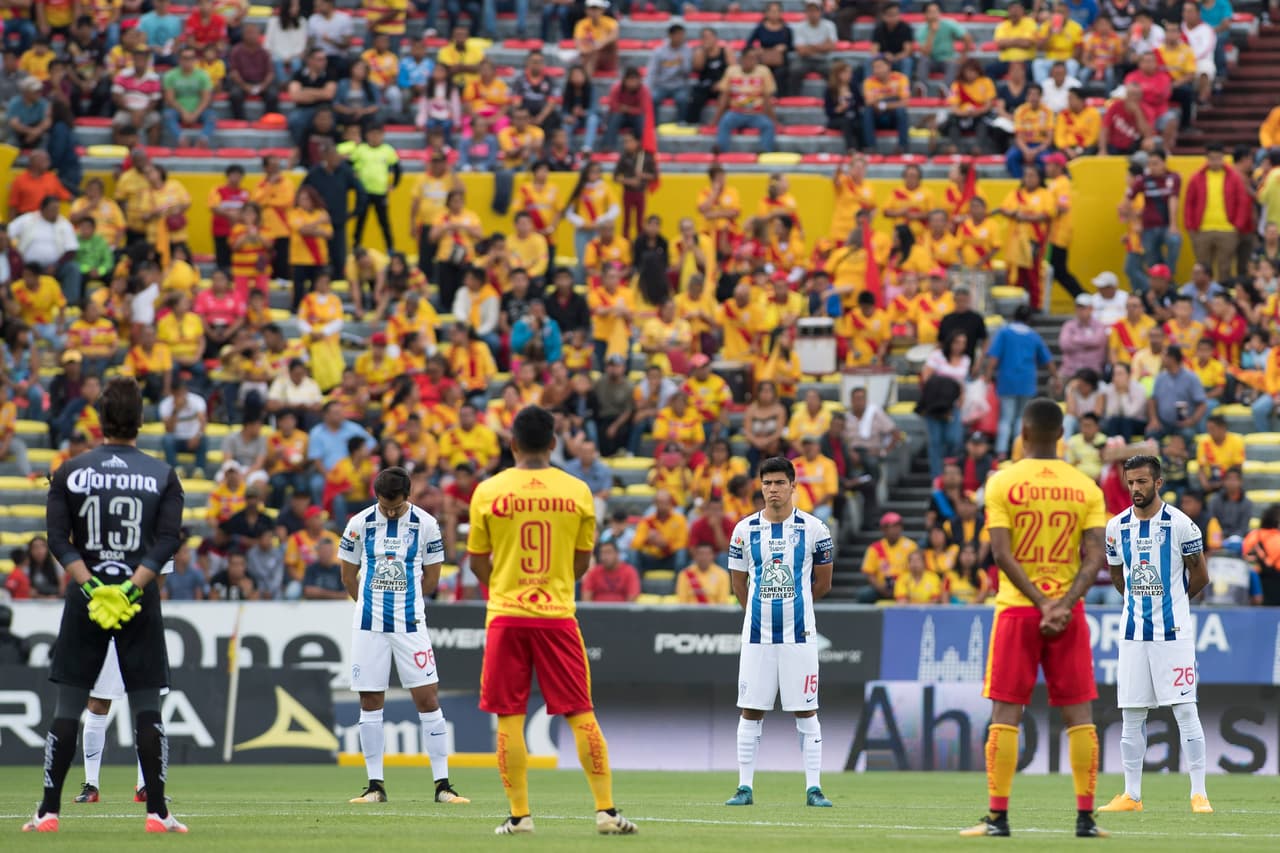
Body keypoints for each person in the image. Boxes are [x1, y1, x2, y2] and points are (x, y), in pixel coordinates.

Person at [467, 406, 638, 836]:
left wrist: (504, 588)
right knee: (581, 712)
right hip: (558, 615)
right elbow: (583, 560)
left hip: (506, 614)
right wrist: (556, 582)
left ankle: (520, 816)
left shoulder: (488, 491)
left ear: (512, 445)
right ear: (554, 444)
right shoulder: (578, 490)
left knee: (508, 716)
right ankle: (606, 811)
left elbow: (476, 561)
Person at [29, 377, 186, 834]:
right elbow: (167, 541)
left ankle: (48, 812)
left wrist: (94, 587)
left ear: (99, 419)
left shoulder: (69, 470)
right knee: (146, 706)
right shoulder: (162, 474)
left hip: (87, 599)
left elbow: (58, 539)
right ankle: (157, 813)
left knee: (69, 704)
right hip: (138, 601)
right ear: (141, 419)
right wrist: (131, 588)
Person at [960, 398, 1107, 839]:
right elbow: (1095, 556)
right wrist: (1061, 605)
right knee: (1080, 715)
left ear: (1022, 434)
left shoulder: (1001, 483)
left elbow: (1001, 554)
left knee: (1006, 712)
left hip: (1018, 612)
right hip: (1070, 612)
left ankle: (998, 818)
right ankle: (1085, 819)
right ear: (1062, 435)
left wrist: (1041, 605)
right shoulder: (1087, 486)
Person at [337, 466, 468, 805]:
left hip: (411, 624)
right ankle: (374, 786)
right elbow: (349, 576)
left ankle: (443, 786)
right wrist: (371, 605)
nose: (390, 511)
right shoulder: (359, 523)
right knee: (370, 700)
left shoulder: (426, 524)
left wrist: (406, 605)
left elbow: (432, 576)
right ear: (376, 497)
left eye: (396, 506)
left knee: (428, 699)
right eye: (385, 505)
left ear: (408, 497)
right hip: (369, 625)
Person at [1096, 455, 1212, 814]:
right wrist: (1137, 602)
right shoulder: (1116, 527)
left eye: (1142, 482)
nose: (1136, 489)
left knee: (1185, 709)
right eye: (1131, 482)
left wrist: (1173, 603)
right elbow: (1117, 575)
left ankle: (1199, 793)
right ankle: (1132, 795)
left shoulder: (1181, 525)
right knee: (1131, 714)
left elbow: (1201, 576)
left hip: (1174, 634)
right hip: (1132, 636)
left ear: (1158, 482)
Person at [724, 456, 834, 809]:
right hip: (757, 635)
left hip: (800, 635)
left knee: (807, 710)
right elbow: (738, 583)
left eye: (778, 483)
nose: (772, 489)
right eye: (766, 483)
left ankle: (814, 788)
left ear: (792, 485)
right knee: (751, 709)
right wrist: (757, 612)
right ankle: (744, 787)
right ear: (761, 486)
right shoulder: (743, 530)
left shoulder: (816, 529)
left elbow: (824, 582)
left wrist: (797, 604)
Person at [987, 305, 1058, 457]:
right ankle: (1017, 450)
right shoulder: (1033, 335)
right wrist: (1055, 377)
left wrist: (987, 375)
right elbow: (1048, 360)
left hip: (1007, 380)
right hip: (1027, 381)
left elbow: (993, 357)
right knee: (1021, 418)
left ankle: (1001, 451)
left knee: (1006, 417)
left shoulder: (1004, 333)